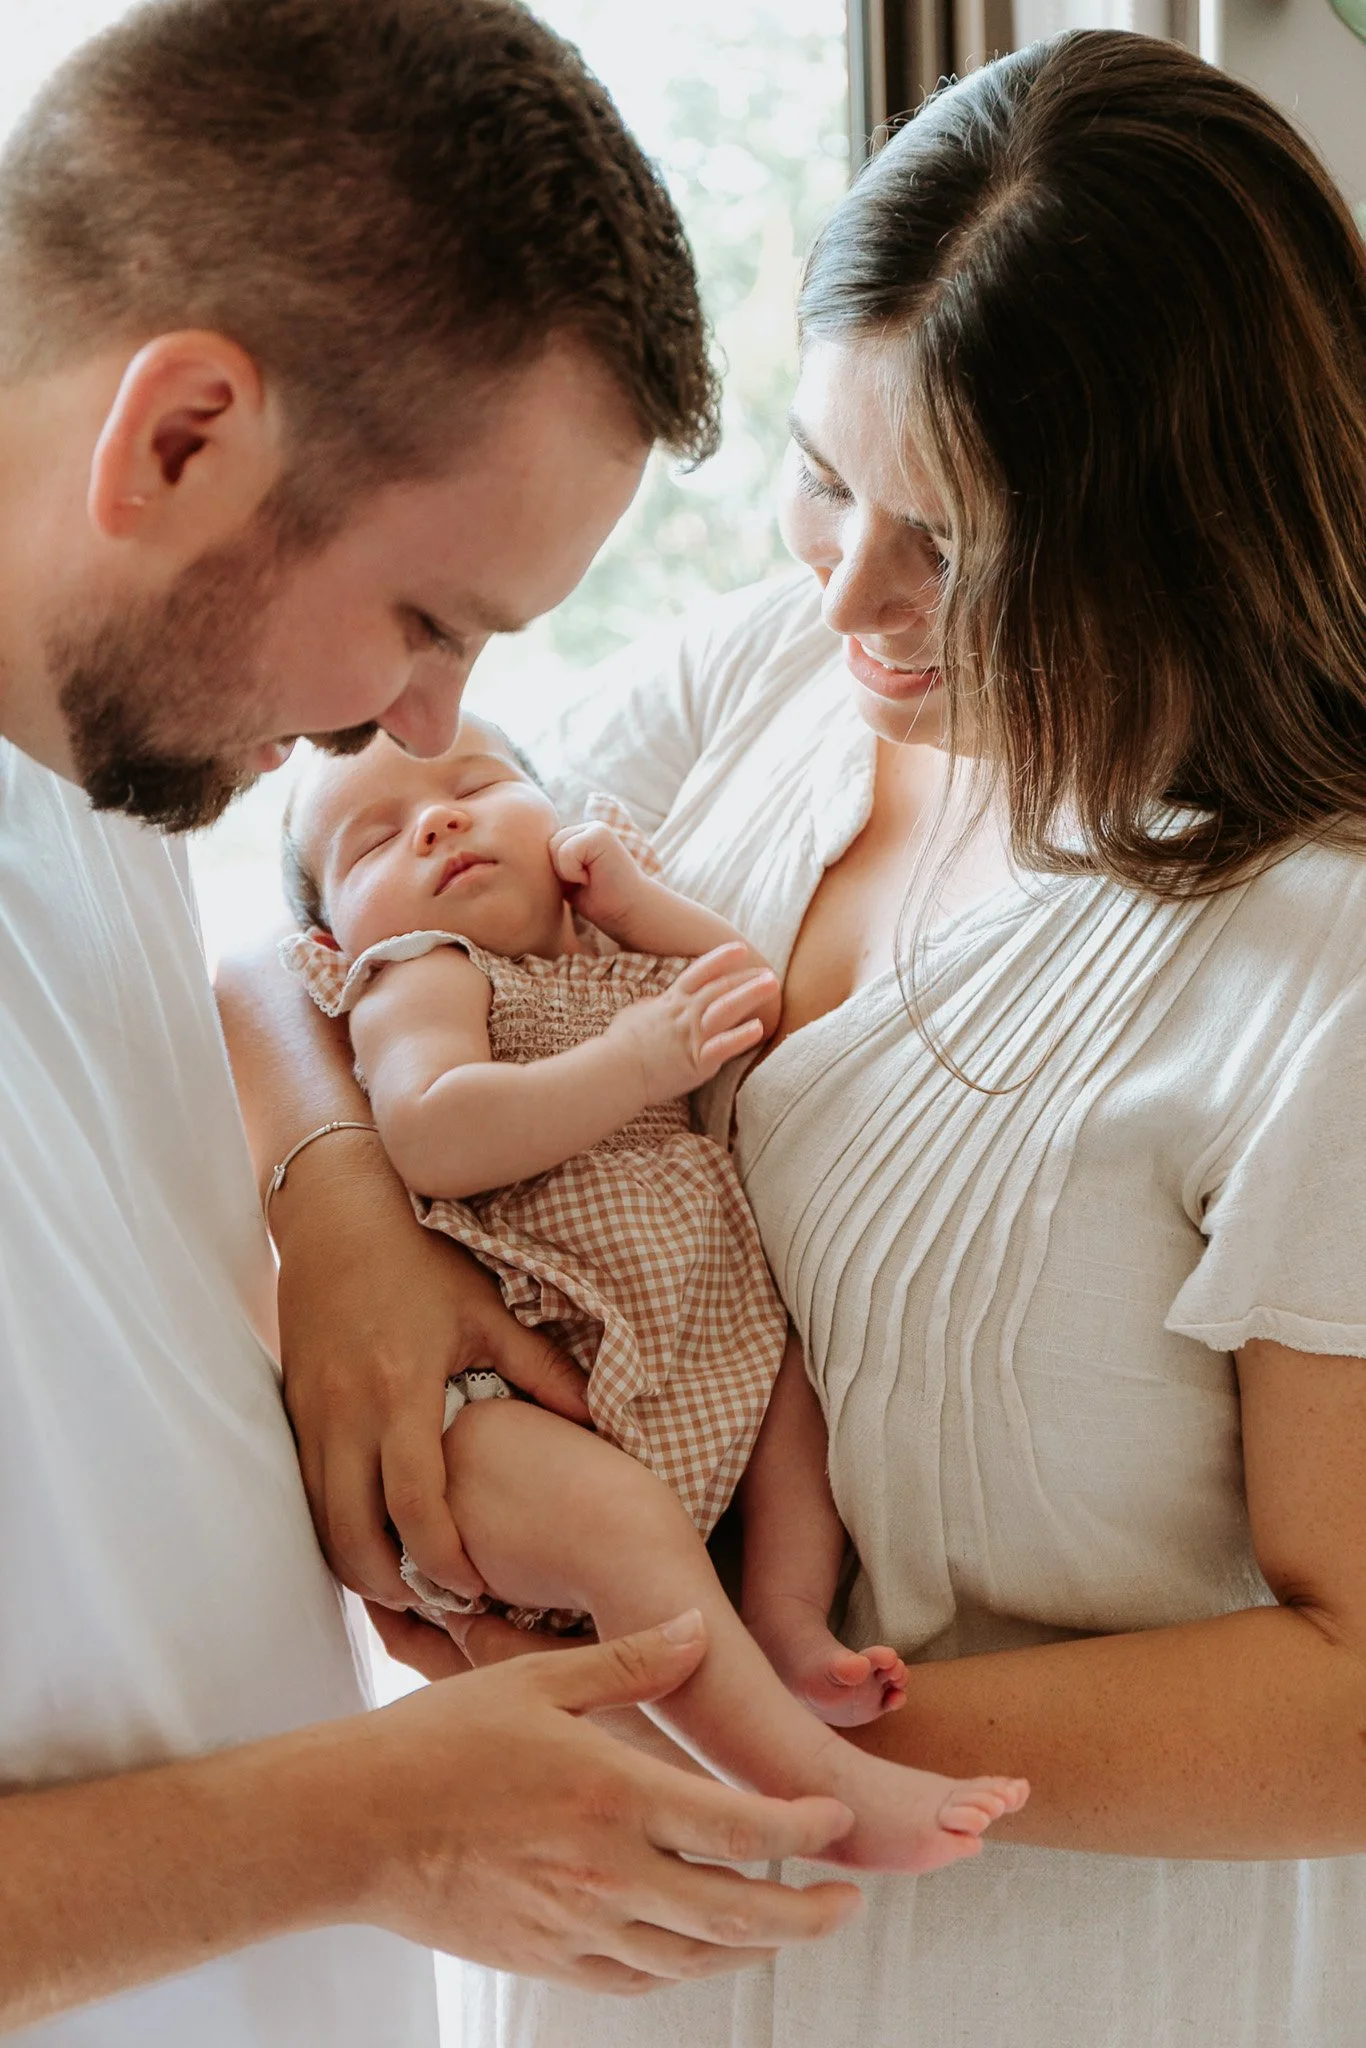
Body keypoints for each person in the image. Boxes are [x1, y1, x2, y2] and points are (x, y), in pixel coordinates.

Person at [236, 29, 1366, 2048]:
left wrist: (720, 1712)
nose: (852, 590)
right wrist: (344, 1220)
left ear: (1182, 535)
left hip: (1043, 1987)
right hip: (613, 1960)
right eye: (823, 480)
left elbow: (1351, 1694)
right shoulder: (769, 676)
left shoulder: (1317, 964)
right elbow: (312, 923)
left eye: (956, 545)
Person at [0, 3, 868, 2040]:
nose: (429, 729)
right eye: (428, 620)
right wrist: (355, 1834)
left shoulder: (105, 760)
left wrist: (344, 1217)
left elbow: (244, 1001)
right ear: (183, 437)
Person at [276, 717, 1029, 1869]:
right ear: (333, 942)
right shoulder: (415, 975)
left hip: (688, 1327)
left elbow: (751, 997)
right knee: (617, 1526)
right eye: (377, 839)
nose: (438, 818)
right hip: (506, 1400)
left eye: (477, 783)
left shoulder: (602, 946)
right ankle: (815, 1785)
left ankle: (781, 1616)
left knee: (796, 1396)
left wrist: (635, 905)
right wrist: (634, 1061)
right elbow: (432, 1131)